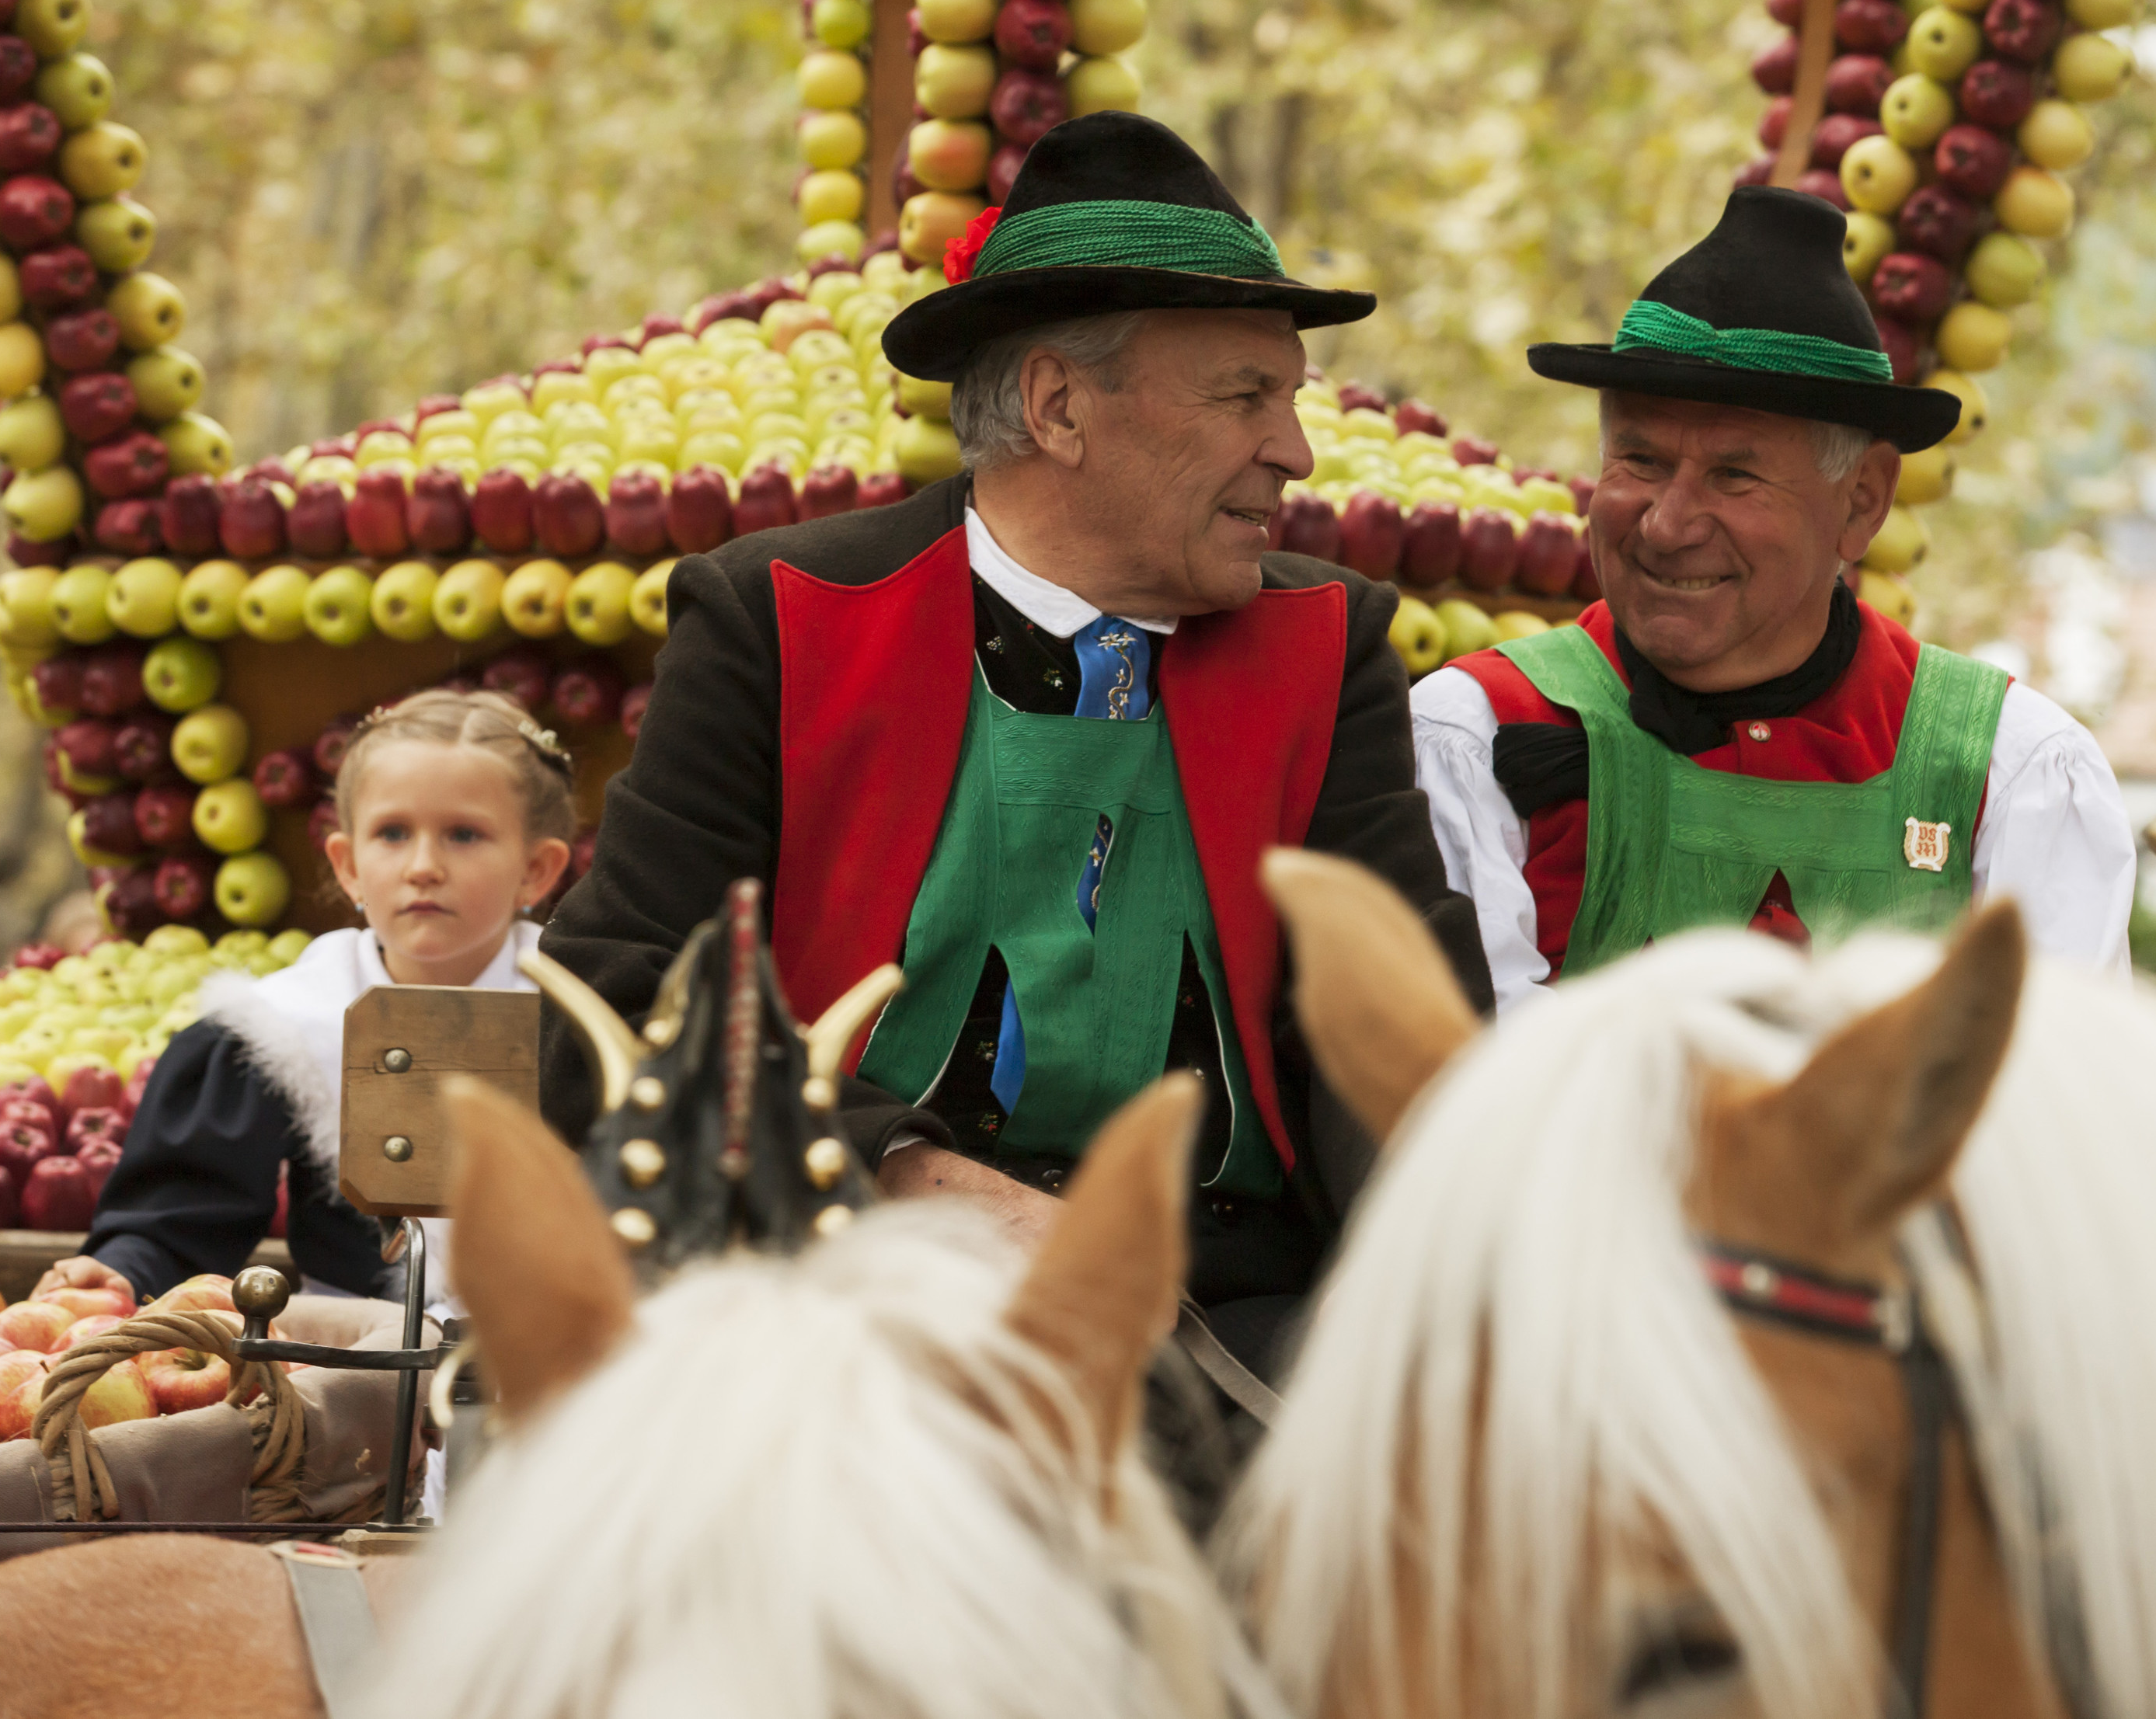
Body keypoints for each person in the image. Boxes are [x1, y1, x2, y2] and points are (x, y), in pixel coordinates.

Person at [540, 112, 1488, 1377]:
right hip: (849, 1310)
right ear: (1057, 406)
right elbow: (614, 1002)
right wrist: (914, 1182)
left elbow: (1406, 1031)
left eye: (1289, 400)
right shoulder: (776, 621)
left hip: (1233, 1332)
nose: (1293, 452)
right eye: (1243, 397)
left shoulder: (1329, 645)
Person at [1412, 186, 2133, 1009]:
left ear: (1862, 502)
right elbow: (1473, 1103)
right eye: (1639, 459)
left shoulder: (2013, 772)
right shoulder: (1474, 736)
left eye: (1734, 475)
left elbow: (2053, 1104)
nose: (1667, 522)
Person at [39, 689, 576, 1310]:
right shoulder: (284, 1023)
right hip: (352, 1369)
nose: (423, 865)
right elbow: (182, 1219)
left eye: (464, 834)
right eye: (393, 833)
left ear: (537, 869)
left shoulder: (583, 1012)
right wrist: (122, 1273)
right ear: (347, 865)